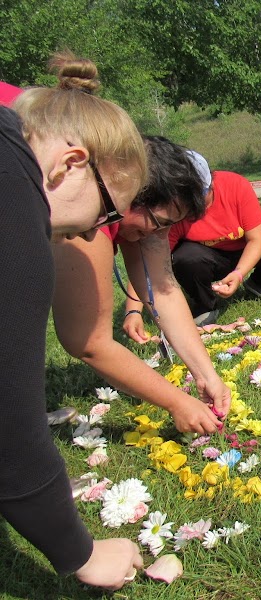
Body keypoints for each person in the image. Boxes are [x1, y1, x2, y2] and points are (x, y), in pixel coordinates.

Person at [1, 53, 145, 590]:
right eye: (109, 213)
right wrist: (78, 551)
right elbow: (7, 414)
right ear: (70, 163)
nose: (92, 235)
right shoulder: (16, 197)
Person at [51, 136, 231, 435]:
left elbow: (163, 289)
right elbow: (88, 341)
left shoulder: (139, 215)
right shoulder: (88, 216)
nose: (159, 234)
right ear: (133, 191)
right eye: (160, 222)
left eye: (170, 226)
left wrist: (206, 375)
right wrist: (176, 402)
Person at [121, 149, 261, 330]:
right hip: (206, 259)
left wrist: (239, 274)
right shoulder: (174, 211)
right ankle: (205, 305)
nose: (196, 205)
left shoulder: (235, 185)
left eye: (201, 195)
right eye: (189, 200)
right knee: (186, 258)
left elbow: (256, 240)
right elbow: (147, 265)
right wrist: (133, 312)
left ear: (211, 182)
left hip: (242, 249)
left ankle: (259, 284)